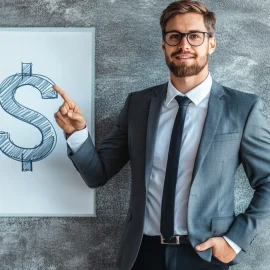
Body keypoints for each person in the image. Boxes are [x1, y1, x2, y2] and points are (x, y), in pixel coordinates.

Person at [53, 1, 270, 269]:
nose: (184, 44)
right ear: (164, 45)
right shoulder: (138, 105)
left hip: (205, 255)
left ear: (211, 43)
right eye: (174, 36)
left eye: (195, 36)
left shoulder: (243, 108)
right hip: (142, 255)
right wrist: (76, 133)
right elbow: (97, 174)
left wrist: (235, 241)